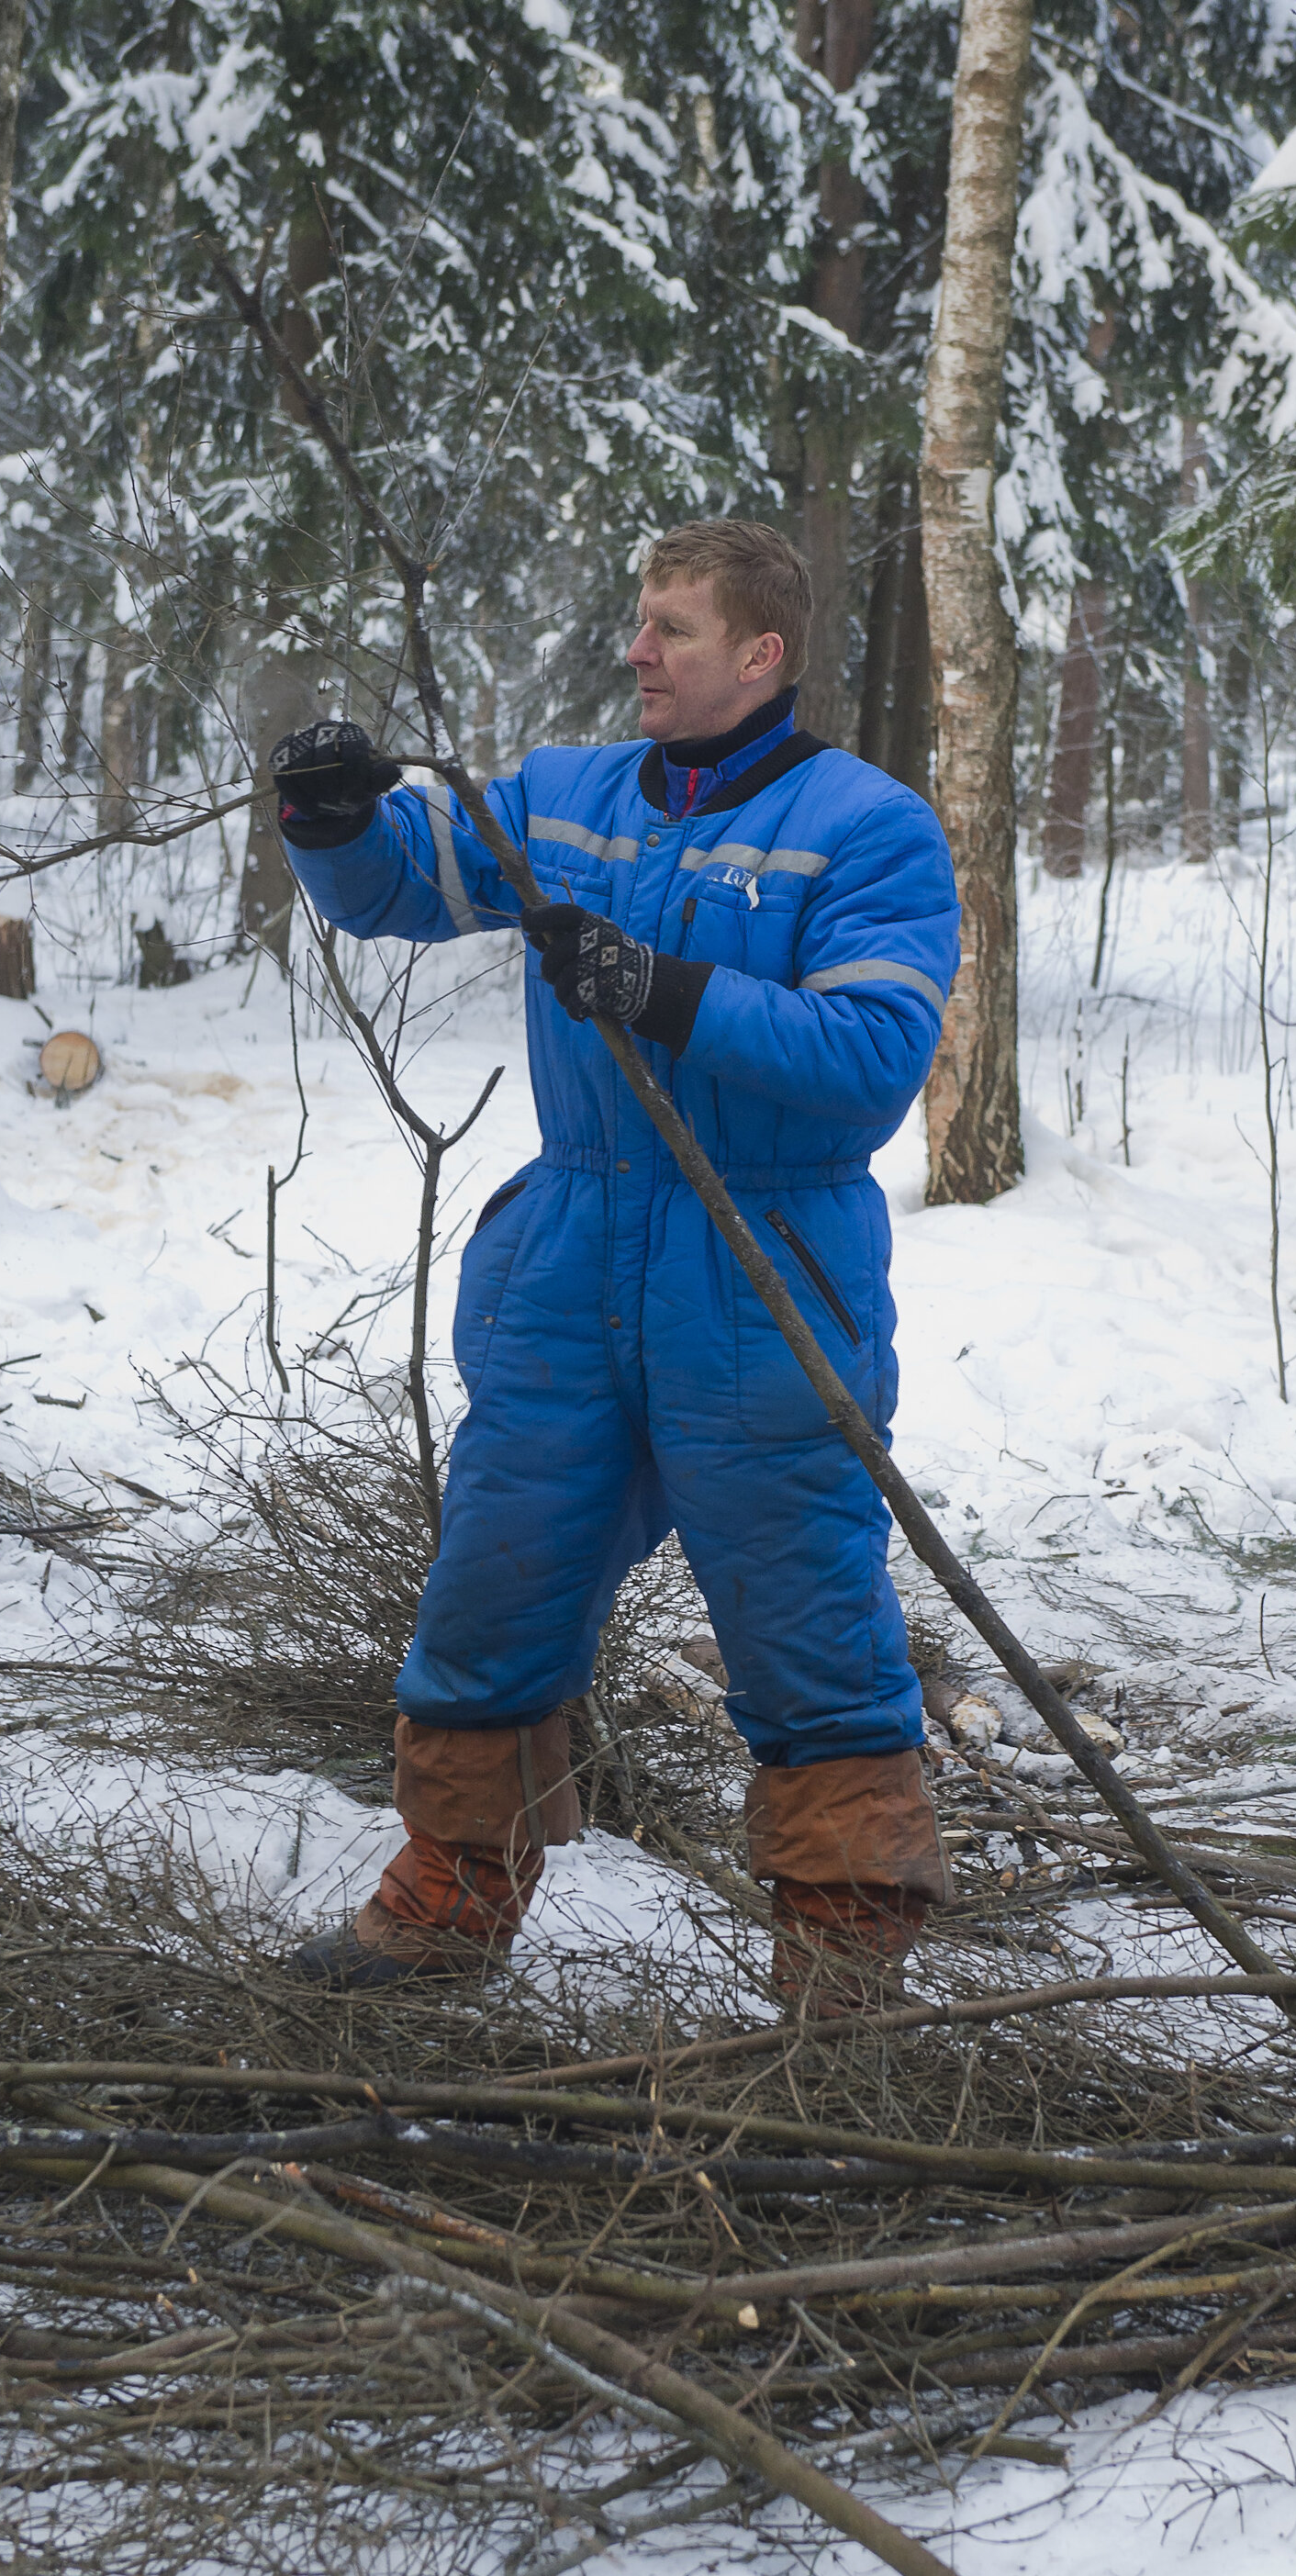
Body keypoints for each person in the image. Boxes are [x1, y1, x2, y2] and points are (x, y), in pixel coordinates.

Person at [273, 520, 959, 2011]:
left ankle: (842, 1969)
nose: (637, 651)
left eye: (672, 629)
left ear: (759, 654)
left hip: (760, 1264)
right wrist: (333, 819)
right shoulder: (568, 794)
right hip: (570, 1262)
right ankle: (448, 1904)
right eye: (640, 620)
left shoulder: (866, 827)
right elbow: (403, 884)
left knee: (804, 1610)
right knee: (494, 1580)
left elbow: (872, 1055)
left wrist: (664, 990)